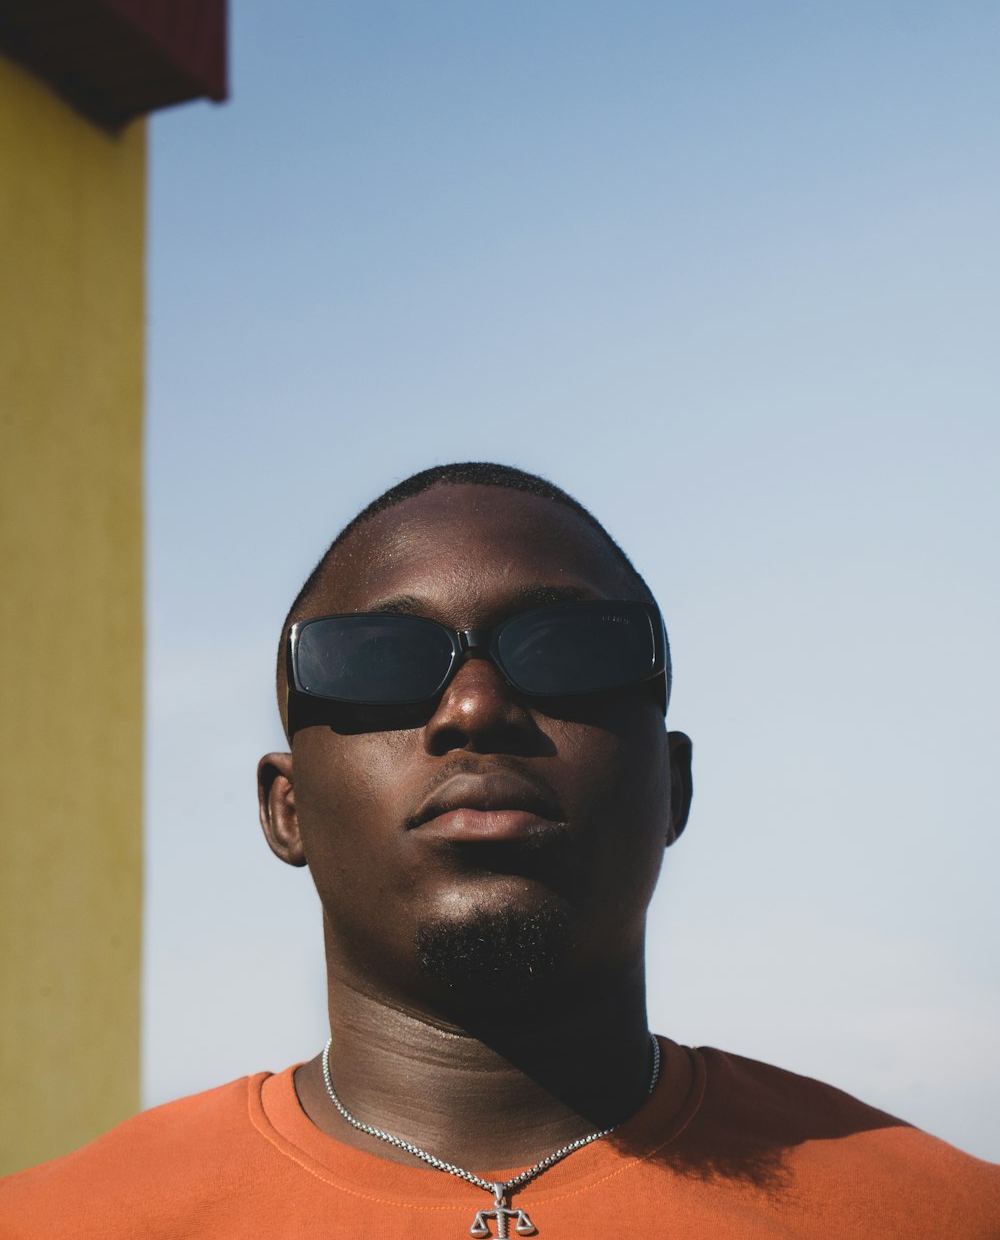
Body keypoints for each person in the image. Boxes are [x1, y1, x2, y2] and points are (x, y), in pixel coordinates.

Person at [2, 462, 998, 1238]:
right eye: (378, 663)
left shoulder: (944, 1218)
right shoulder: (55, 1227)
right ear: (286, 808)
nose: (475, 708)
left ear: (673, 788)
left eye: (569, 651)